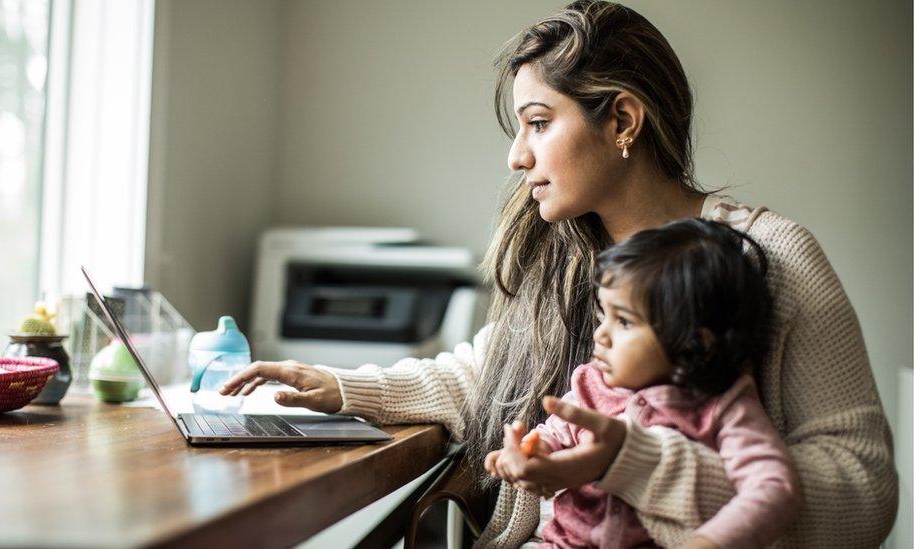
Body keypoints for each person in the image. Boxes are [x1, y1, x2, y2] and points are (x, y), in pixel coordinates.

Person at [221, 1, 897, 547]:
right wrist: (337, 387)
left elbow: (864, 491)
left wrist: (634, 465)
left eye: (538, 123)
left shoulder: (772, 258)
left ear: (623, 120)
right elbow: (485, 379)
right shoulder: (563, 257)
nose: (517, 156)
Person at [485, 218, 803, 548]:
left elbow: (773, 488)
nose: (600, 335)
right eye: (602, 315)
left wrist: (710, 542)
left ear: (697, 345)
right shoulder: (592, 384)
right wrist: (531, 452)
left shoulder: (725, 407)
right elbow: (554, 433)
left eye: (623, 321)